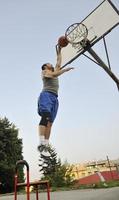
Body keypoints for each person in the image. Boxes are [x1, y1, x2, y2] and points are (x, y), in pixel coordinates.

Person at [37, 45, 74, 157]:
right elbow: (54, 74)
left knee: (50, 123)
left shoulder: (55, 70)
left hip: (55, 98)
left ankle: (46, 146)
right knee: (46, 116)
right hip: (46, 95)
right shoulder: (45, 72)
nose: (51, 64)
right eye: (49, 64)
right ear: (45, 67)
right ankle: (41, 144)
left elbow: (58, 61)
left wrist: (60, 50)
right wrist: (65, 70)